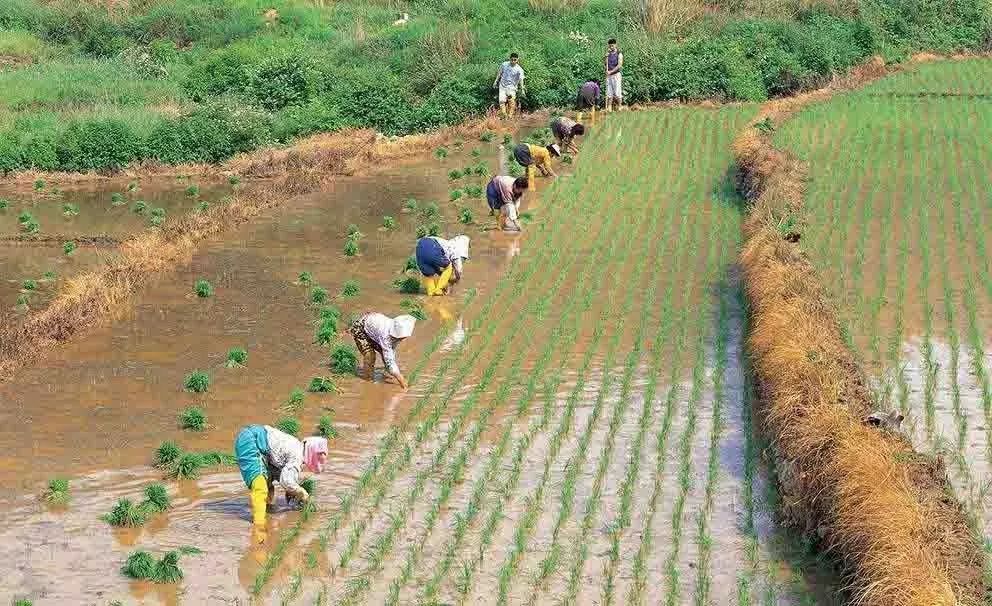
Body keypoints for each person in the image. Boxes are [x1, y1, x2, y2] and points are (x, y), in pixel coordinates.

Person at [234, 424, 328, 543]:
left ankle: (266, 509)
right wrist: (301, 492)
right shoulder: (298, 456)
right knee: (260, 487)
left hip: (258, 441)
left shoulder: (296, 446)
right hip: (252, 442)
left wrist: (291, 489)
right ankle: (259, 526)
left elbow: (281, 472)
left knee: (268, 483)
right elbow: (286, 481)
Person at [350, 312, 416, 388]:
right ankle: (368, 380)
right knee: (370, 355)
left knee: (385, 353)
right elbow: (389, 359)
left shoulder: (396, 326)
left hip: (374, 329)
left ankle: (390, 371)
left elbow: (391, 352)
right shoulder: (386, 337)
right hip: (361, 329)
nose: (403, 339)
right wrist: (401, 379)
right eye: (402, 337)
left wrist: (393, 371)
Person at [493, 52, 525, 118]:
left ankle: (510, 116)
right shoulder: (504, 64)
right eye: (512, 59)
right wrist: (495, 82)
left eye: (515, 60)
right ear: (509, 59)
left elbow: (521, 80)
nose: (513, 61)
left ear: (517, 60)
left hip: (511, 87)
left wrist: (522, 90)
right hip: (502, 86)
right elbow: (499, 73)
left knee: (511, 101)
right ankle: (505, 116)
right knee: (501, 101)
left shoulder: (519, 69)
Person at [605, 38, 623, 112]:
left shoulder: (619, 54)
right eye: (610, 46)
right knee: (609, 93)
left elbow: (619, 65)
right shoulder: (608, 54)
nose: (611, 47)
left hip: (616, 75)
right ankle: (609, 107)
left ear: (615, 45)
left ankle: (620, 106)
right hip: (609, 76)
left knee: (617, 92)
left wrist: (611, 72)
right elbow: (605, 64)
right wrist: (605, 57)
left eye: (612, 46)